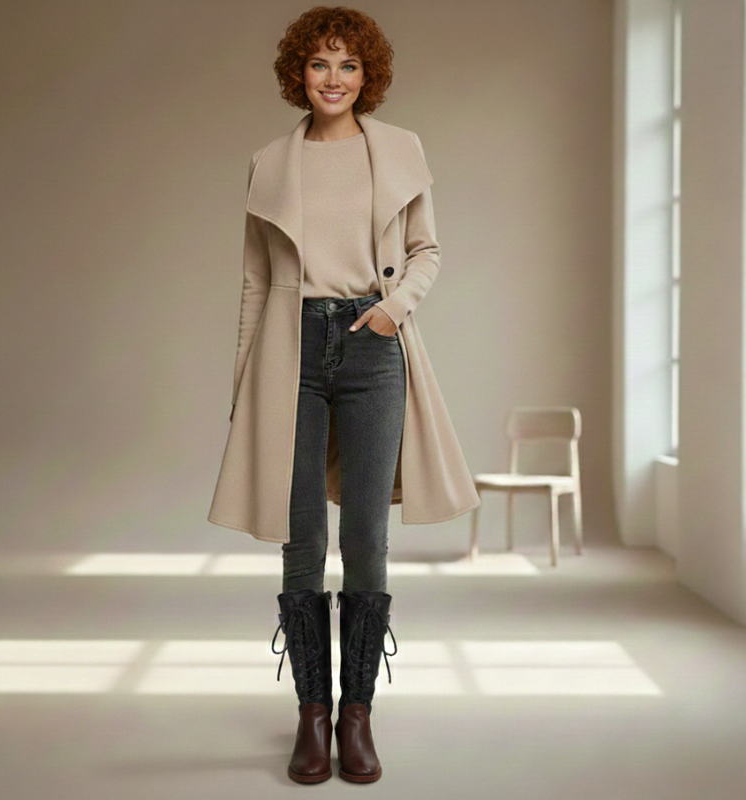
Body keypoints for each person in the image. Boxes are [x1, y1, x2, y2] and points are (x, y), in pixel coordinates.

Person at [208, 3, 480, 786]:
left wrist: (393, 311)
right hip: (288, 352)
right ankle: (311, 716)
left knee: (364, 535)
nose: (334, 78)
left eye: (349, 65)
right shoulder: (268, 162)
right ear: (300, 73)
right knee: (300, 541)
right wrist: (242, 390)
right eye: (321, 63)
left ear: (369, 76)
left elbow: (427, 248)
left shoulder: (400, 151)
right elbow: (256, 284)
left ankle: (357, 715)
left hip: (371, 346)